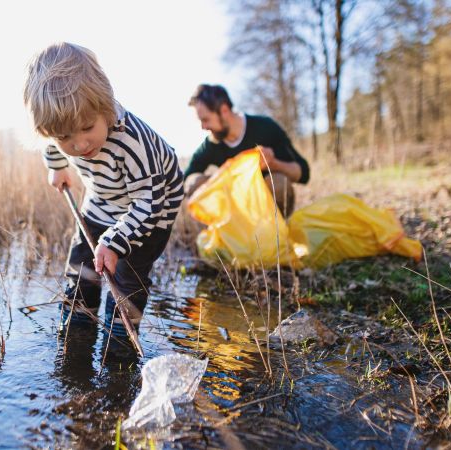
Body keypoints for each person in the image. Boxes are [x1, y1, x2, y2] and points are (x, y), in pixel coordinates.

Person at [23, 42, 184, 342]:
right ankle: (76, 335)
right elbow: (50, 141)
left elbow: (148, 205)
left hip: (151, 210)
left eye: (87, 127)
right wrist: (57, 166)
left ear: (105, 105)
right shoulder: (62, 132)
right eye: (65, 137)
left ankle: (120, 344)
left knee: (126, 279)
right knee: (82, 268)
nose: (80, 145)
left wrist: (113, 242)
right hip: (103, 198)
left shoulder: (133, 142)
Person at [184, 84, 310, 216]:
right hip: (231, 210)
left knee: (279, 183)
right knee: (195, 183)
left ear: (224, 111)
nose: (203, 127)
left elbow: (303, 172)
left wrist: (273, 163)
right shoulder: (210, 145)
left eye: (205, 120)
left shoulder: (266, 127)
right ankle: (220, 233)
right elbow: (186, 178)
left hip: (263, 208)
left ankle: (275, 233)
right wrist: (219, 178)